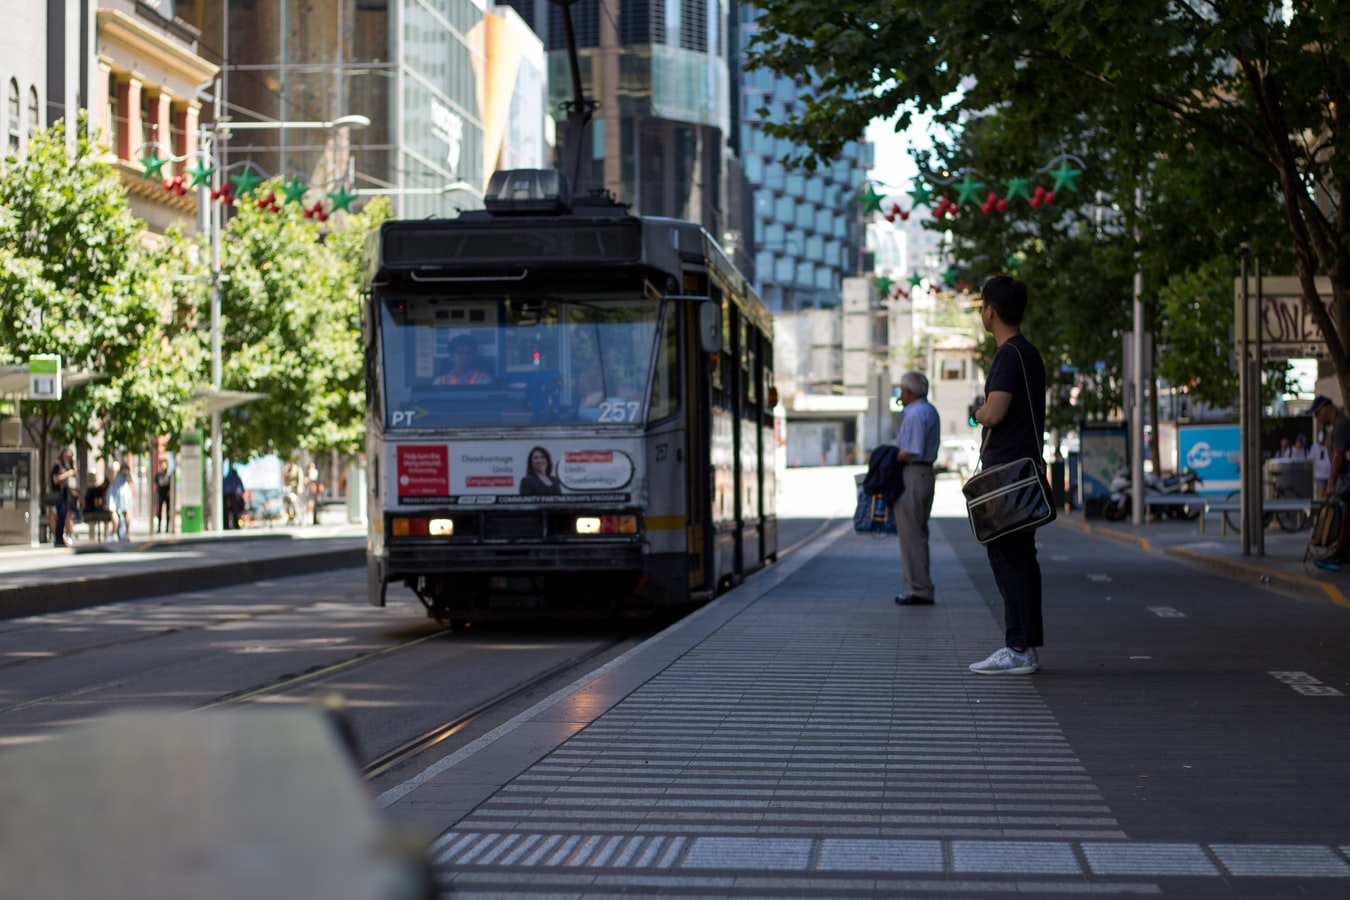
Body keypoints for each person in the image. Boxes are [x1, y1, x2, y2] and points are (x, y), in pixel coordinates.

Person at [968, 275, 1048, 675]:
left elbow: (995, 412)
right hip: (1024, 472)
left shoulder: (1007, 355)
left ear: (991, 311)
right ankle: (1026, 645)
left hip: (1008, 476)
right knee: (1022, 560)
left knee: (1009, 560)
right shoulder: (1029, 353)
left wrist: (977, 412)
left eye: (983, 305)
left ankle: (1016, 648)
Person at [891, 371, 941, 606]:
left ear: (908, 392)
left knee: (911, 535)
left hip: (912, 473)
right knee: (919, 532)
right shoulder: (929, 410)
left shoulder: (913, 414)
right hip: (925, 474)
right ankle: (921, 585)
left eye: (902, 390)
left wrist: (888, 456)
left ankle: (919, 589)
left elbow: (911, 448)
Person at [1311, 395, 1350, 571]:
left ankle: (1338, 556)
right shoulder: (1333, 427)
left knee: (1347, 519)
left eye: (1317, 413)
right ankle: (1341, 553)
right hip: (1345, 478)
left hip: (1347, 479)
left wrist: (1331, 483)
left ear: (1327, 409)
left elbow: (1338, 456)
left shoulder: (1341, 424)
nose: (1316, 418)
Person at [50, 448, 77, 547]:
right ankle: (58, 538)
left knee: (64, 515)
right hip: (59, 494)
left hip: (66, 494)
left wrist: (73, 462)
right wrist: (67, 474)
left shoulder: (67, 465)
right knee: (60, 516)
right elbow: (55, 480)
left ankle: (60, 537)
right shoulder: (58, 465)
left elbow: (75, 473)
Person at [106, 459, 133, 542]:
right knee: (124, 511)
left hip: (117, 491)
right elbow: (130, 479)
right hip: (123, 491)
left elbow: (112, 479)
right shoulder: (124, 467)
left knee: (116, 512)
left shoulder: (115, 466)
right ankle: (125, 534)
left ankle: (115, 533)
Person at [222, 464, 245, 530]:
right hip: (233, 497)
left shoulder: (226, 479)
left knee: (226, 513)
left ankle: (226, 525)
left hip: (225, 496)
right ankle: (236, 525)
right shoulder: (237, 479)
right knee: (236, 512)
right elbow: (240, 490)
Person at [154, 459, 173, 533]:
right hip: (161, 494)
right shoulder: (158, 474)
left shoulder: (169, 474)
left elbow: (172, 485)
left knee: (168, 511)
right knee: (159, 511)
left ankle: (167, 528)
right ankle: (159, 527)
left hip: (167, 495)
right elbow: (156, 484)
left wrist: (170, 492)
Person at [1313, 429, 1332, 497]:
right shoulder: (1315, 448)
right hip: (1319, 475)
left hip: (1329, 474)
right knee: (1320, 493)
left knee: (1328, 494)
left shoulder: (1329, 447)